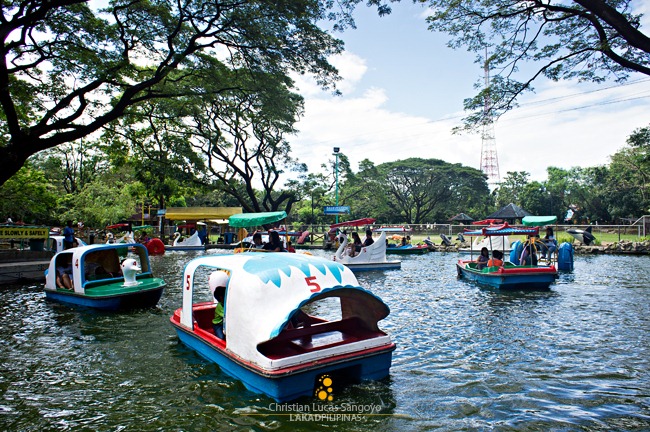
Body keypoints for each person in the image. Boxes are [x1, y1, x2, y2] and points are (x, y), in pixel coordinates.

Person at [209, 270, 229, 340]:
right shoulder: (220, 306)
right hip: (218, 325)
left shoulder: (226, 304)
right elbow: (226, 316)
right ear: (220, 298)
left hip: (224, 324)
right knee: (221, 338)